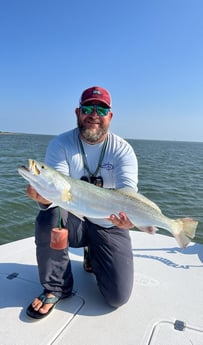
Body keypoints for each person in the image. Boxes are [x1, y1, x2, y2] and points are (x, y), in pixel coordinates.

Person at [26, 86, 149, 319]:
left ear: (110, 117)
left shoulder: (122, 150)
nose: (94, 114)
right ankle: (56, 287)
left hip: (109, 224)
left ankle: (92, 252)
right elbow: (57, 190)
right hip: (76, 220)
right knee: (48, 216)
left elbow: (129, 195)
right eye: (87, 108)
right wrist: (44, 197)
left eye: (101, 109)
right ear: (77, 113)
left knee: (117, 297)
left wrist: (130, 220)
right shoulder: (61, 144)